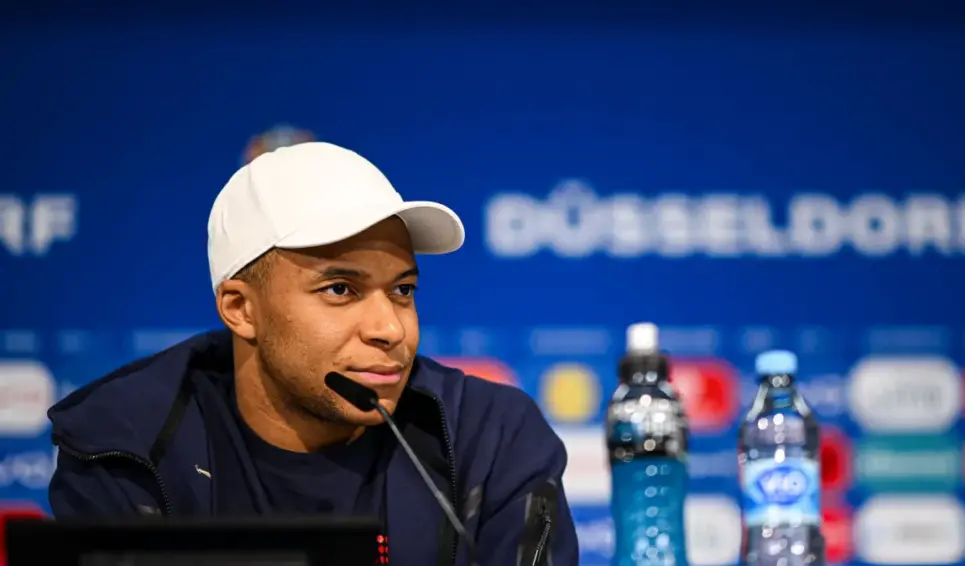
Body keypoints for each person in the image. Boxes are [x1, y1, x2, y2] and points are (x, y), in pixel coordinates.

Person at [47, 142, 579, 566]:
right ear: (240, 309)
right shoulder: (122, 445)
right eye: (340, 290)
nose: (390, 328)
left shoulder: (489, 437)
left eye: (403, 290)